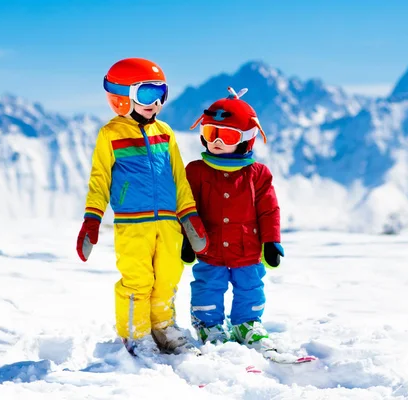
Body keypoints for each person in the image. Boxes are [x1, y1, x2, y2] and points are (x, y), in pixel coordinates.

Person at [75, 58, 208, 355]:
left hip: (169, 224)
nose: (156, 102)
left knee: (167, 278)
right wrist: (92, 218)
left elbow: (179, 178)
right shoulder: (111, 134)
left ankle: (163, 328)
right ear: (122, 98)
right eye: (147, 94)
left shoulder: (165, 132)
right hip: (133, 225)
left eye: (161, 92)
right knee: (138, 281)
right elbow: (99, 180)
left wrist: (189, 216)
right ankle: (137, 335)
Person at [182, 87, 284, 351]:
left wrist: (271, 242)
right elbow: (186, 207)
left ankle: (246, 323)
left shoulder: (258, 173)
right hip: (209, 245)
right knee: (207, 285)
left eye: (226, 135)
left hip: (247, 247)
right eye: (210, 133)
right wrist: (185, 238)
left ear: (246, 139)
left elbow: (269, 210)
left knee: (250, 286)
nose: (216, 141)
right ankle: (208, 324)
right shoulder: (196, 171)